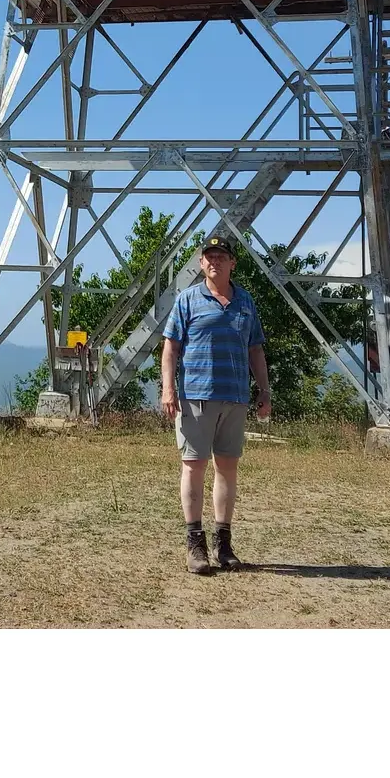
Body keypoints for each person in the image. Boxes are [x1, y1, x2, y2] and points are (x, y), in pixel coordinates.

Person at [161, 230, 271, 574]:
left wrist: (264, 391)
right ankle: (195, 545)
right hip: (196, 395)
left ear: (232, 263)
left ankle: (224, 543)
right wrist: (168, 389)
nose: (214, 261)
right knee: (193, 466)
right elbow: (170, 348)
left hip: (235, 397)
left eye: (221, 256)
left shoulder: (245, 302)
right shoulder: (188, 300)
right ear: (201, 263)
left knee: (227, 468)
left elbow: (255, 349)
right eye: (209, 257)